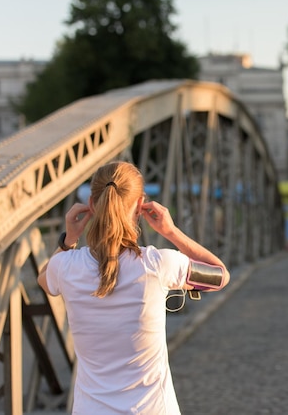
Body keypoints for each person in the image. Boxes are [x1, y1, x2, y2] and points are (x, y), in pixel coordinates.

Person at [38, 161, 230, 414]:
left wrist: (69, 238)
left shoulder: (64, 266)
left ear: (92, 204)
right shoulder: (159, 264)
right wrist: (171, 232)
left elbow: (44, 280)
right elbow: (220, 275)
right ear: (140, 206)